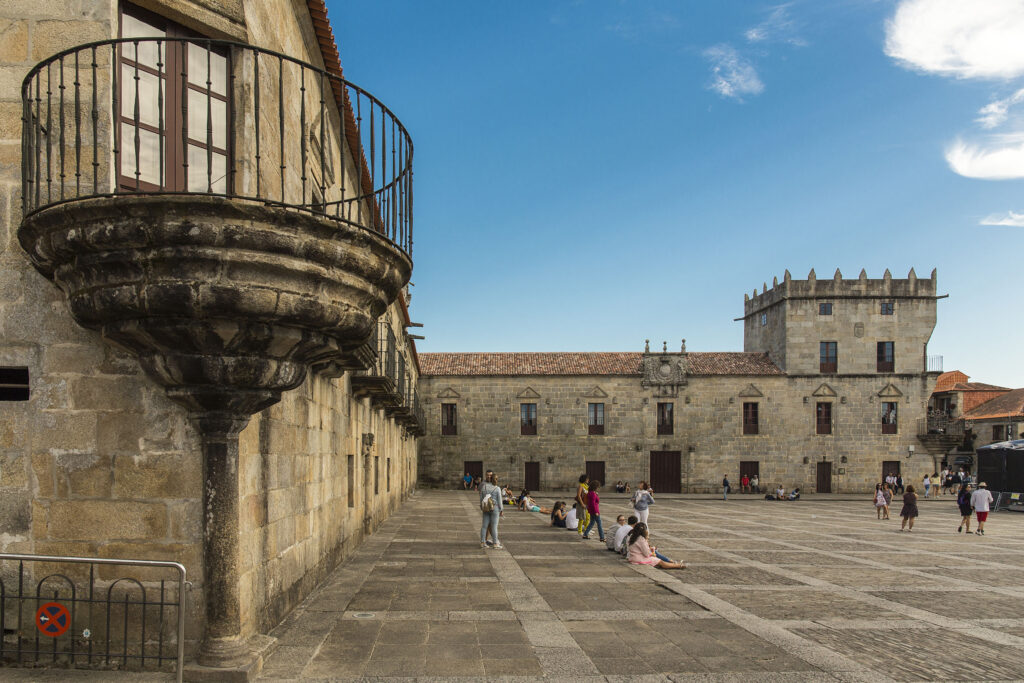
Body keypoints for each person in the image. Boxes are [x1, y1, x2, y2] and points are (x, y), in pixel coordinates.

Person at [479, 472, 503, 549]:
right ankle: (495, 543)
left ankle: (483, 542)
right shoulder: (497, 488)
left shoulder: (484, 487)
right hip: (495, 509)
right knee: (494, 526)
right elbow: (500, 501)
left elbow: (481, 498)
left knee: (484, 526)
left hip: (486, 508)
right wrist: (501, 510)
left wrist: (482, 507)